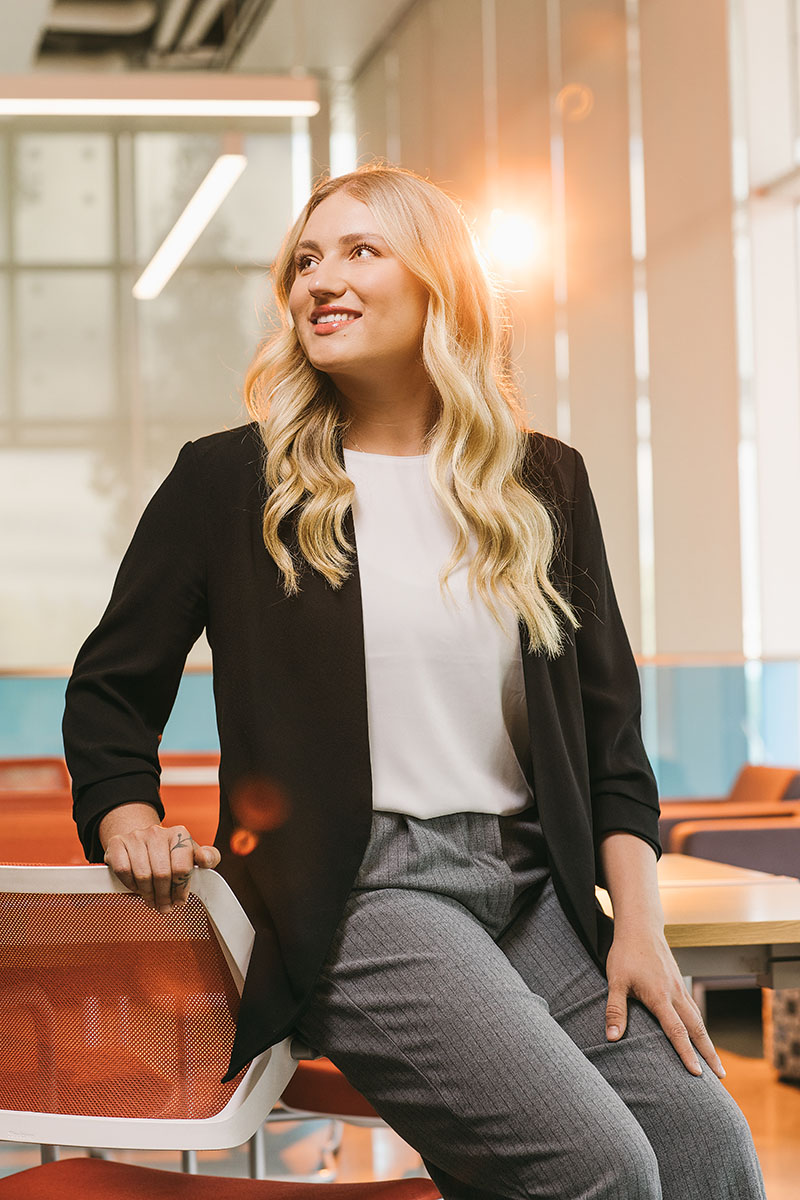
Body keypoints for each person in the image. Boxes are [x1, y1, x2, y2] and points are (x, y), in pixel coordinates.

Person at [63, 163, 765, 1200]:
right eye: (306, 259)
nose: (320, 279)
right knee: (600, 1169)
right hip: (363, 892)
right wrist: (125, 812)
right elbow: (111, 691)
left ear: (440, 281)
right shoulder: (231, 480)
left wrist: (640, 931)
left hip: (534, 889)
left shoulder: (542, 481)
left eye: (361, 250)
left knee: (709, 1151)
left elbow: (610, 740)